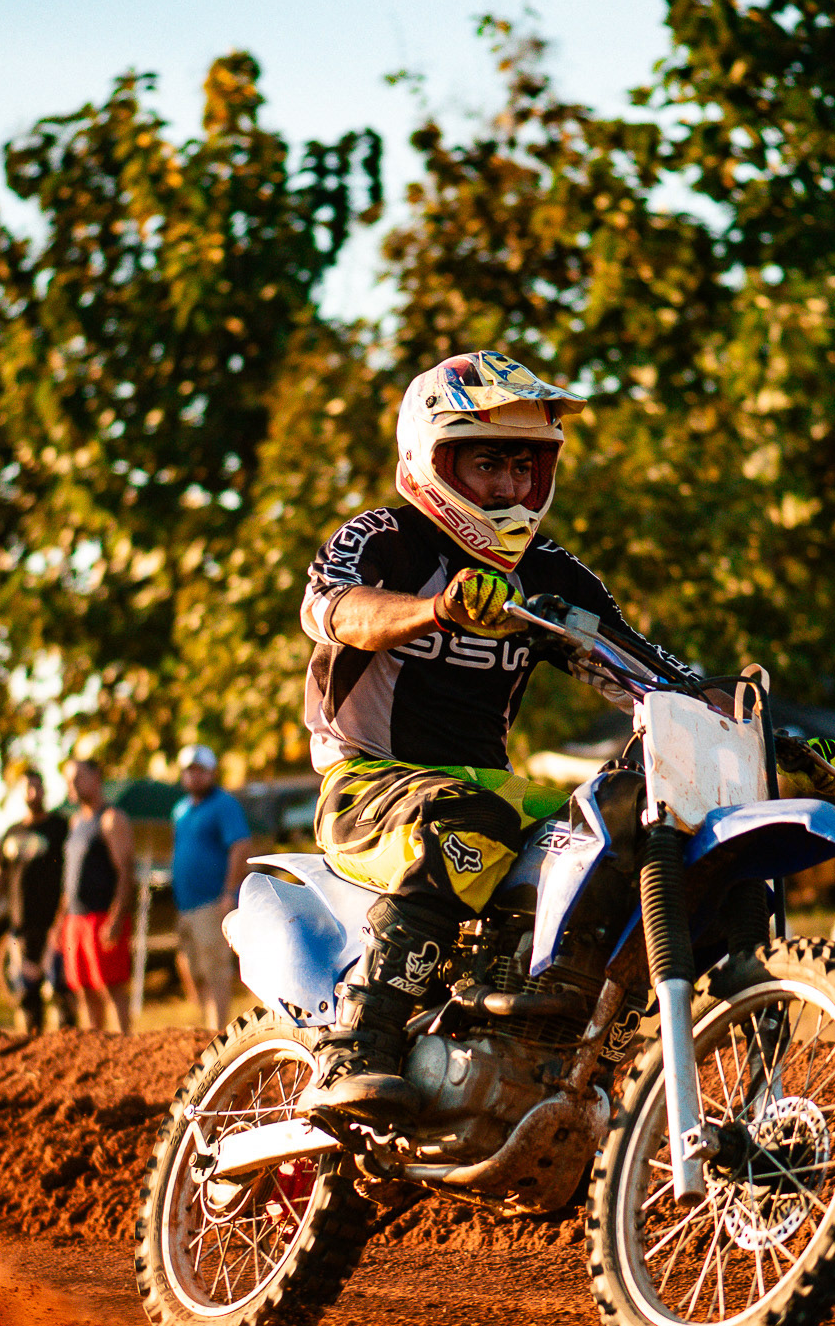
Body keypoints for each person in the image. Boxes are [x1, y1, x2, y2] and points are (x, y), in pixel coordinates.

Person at [297, 347, 699, 1123]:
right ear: (433, 457)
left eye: (525, 466)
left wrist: (757, 731)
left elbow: (647, 672)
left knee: (620, 823)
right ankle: (358, 1045)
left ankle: (578, 1048)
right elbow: (334, 612)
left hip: (496, 793)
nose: (510, 488)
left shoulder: (550, 574)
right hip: (367, 784)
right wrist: (435, 609)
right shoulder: (382, 539)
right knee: (469, 819)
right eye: (488, 464)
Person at [0, 770, 76, 1034]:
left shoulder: (59, 827)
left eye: (37, 787)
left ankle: (69, 1047)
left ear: (44, 790)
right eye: (27, 788)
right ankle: (33, 1045)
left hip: (56, 924)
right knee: (26, 994)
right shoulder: (12, 832)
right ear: (19, 793)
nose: (33, 793)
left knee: (61, 992)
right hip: (21, 926)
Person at [48, 758, 136, 1034]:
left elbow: (126, 871)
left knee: (111, 987)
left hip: (102, 916)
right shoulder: (76, 822)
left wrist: (117, 917)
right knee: (82, 988)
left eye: (77, 778)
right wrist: (60, 921)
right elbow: (70, 879)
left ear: (96, 778)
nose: (71, 785)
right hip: (75, 919)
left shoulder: (111, 819)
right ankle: (97, 1046)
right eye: (67, 780)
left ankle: (126, 1044)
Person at [170, 744, 252, 1033]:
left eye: (200, 770)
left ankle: (218, 1031)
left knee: (215, 970)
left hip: (212, 902)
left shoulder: (224, 805)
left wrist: (229, 892)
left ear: (212, 772)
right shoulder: (180, 810)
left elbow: (240, 845)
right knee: (194, 971)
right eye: (189, 770)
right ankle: (207, 1029)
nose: (194, 776)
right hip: (186, 905)